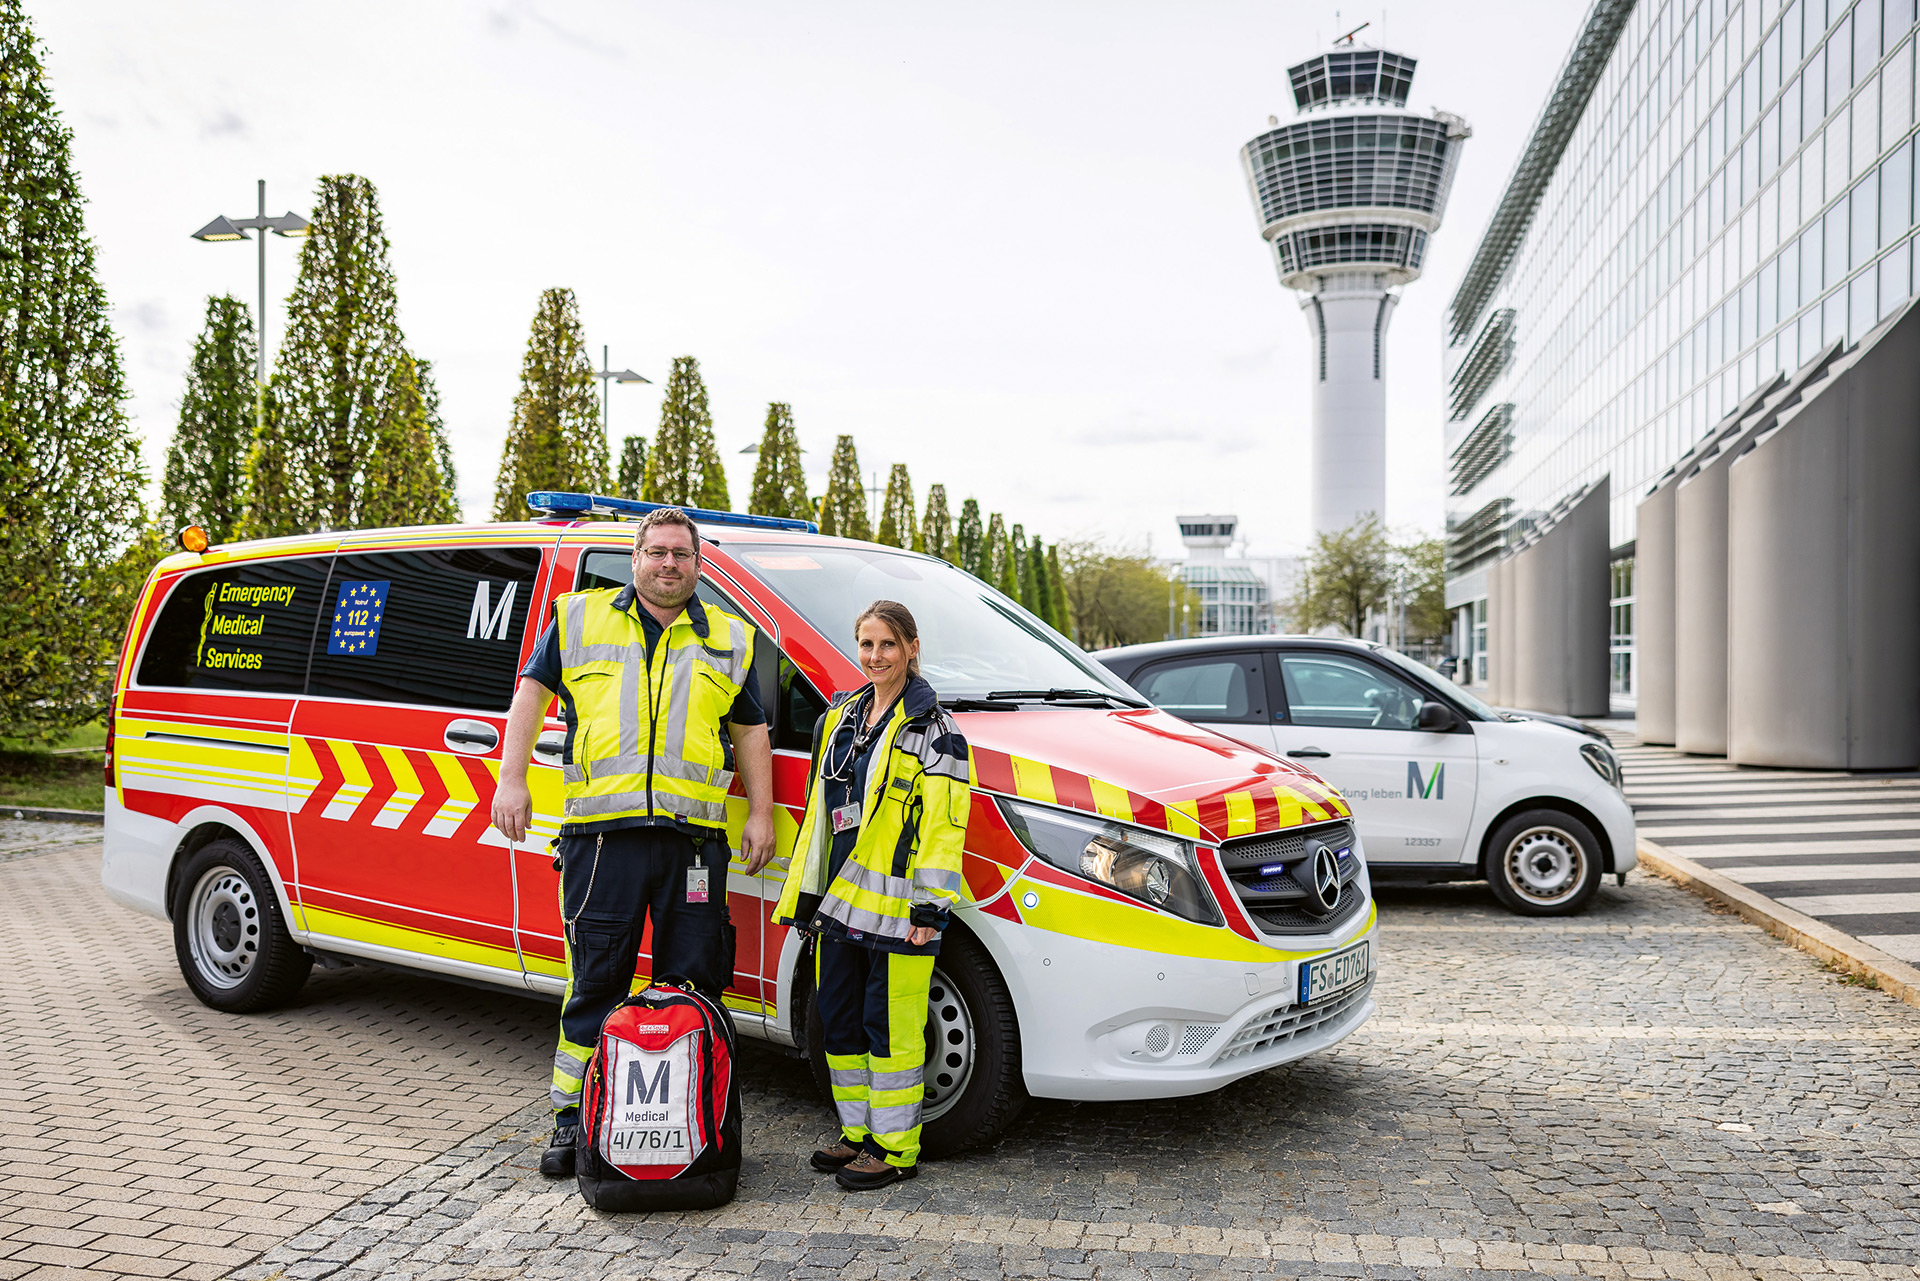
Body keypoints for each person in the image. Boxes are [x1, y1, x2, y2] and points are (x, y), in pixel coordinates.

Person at [492, 507, 775, 1179]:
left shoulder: (731, 638)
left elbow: (751, 732)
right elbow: (530, 692)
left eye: (681, 553)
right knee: (595, 983)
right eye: (657, 552)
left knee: (697, 984)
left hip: (694, 847)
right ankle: (572, 1123)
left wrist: (760, 812)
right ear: (637, 557)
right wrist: (512, 776)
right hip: (602, 840)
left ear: (698, 564)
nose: (669, 563)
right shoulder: (580, 616)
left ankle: (700, 1118)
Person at [771, 599, 970, 1191]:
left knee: (894, 1031)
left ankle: (896, 1148)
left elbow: (944, 826)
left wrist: (930, 911)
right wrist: (806, 895)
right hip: (836, 904)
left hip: (899, 912)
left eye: (887, 644)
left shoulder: (938, 732)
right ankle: (857, 1135)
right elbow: (819, 814)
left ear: (911, 648)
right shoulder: (838, 717)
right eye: (866, 644)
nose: (875, 656)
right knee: (839, 1023)